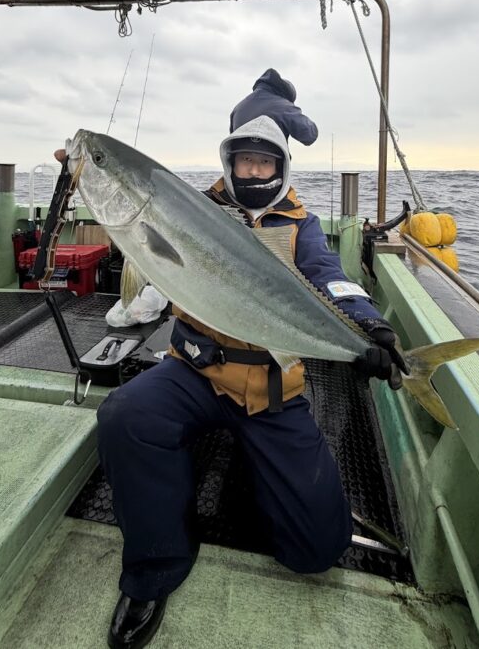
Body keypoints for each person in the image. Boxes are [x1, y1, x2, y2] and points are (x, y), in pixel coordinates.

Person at [91, 116, 406, 648]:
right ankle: (156, 567)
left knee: (316, 550)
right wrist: (90, 175)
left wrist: (367, 323)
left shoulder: (300, 225)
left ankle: (267, 480)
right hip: (194, 372)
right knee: (126, 416)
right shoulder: (195, 210)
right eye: (245, 161)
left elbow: (330, 273)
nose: (254, 171)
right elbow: (146, 250)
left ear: (280, 168)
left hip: (272, 389)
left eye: (265, 162)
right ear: (229, 163)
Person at [230, 68, 319, 145]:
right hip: (269, 162)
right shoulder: (284, 107)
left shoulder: (238, 108)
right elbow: (309, 135)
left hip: (241, 162)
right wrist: (293, 110)